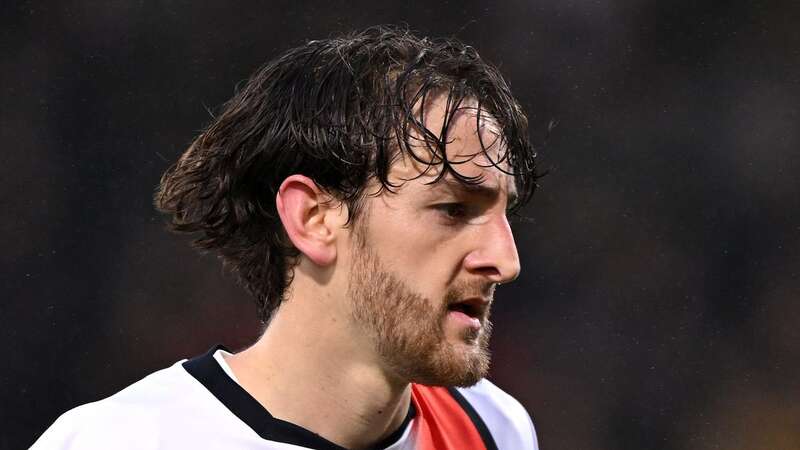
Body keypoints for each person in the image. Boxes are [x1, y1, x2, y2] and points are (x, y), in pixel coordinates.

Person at [33, 26, 540, 450]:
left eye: (503, 213)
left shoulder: (495, 430)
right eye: (453, 209)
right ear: (314, 218)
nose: (506, 260)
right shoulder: (122, 441)